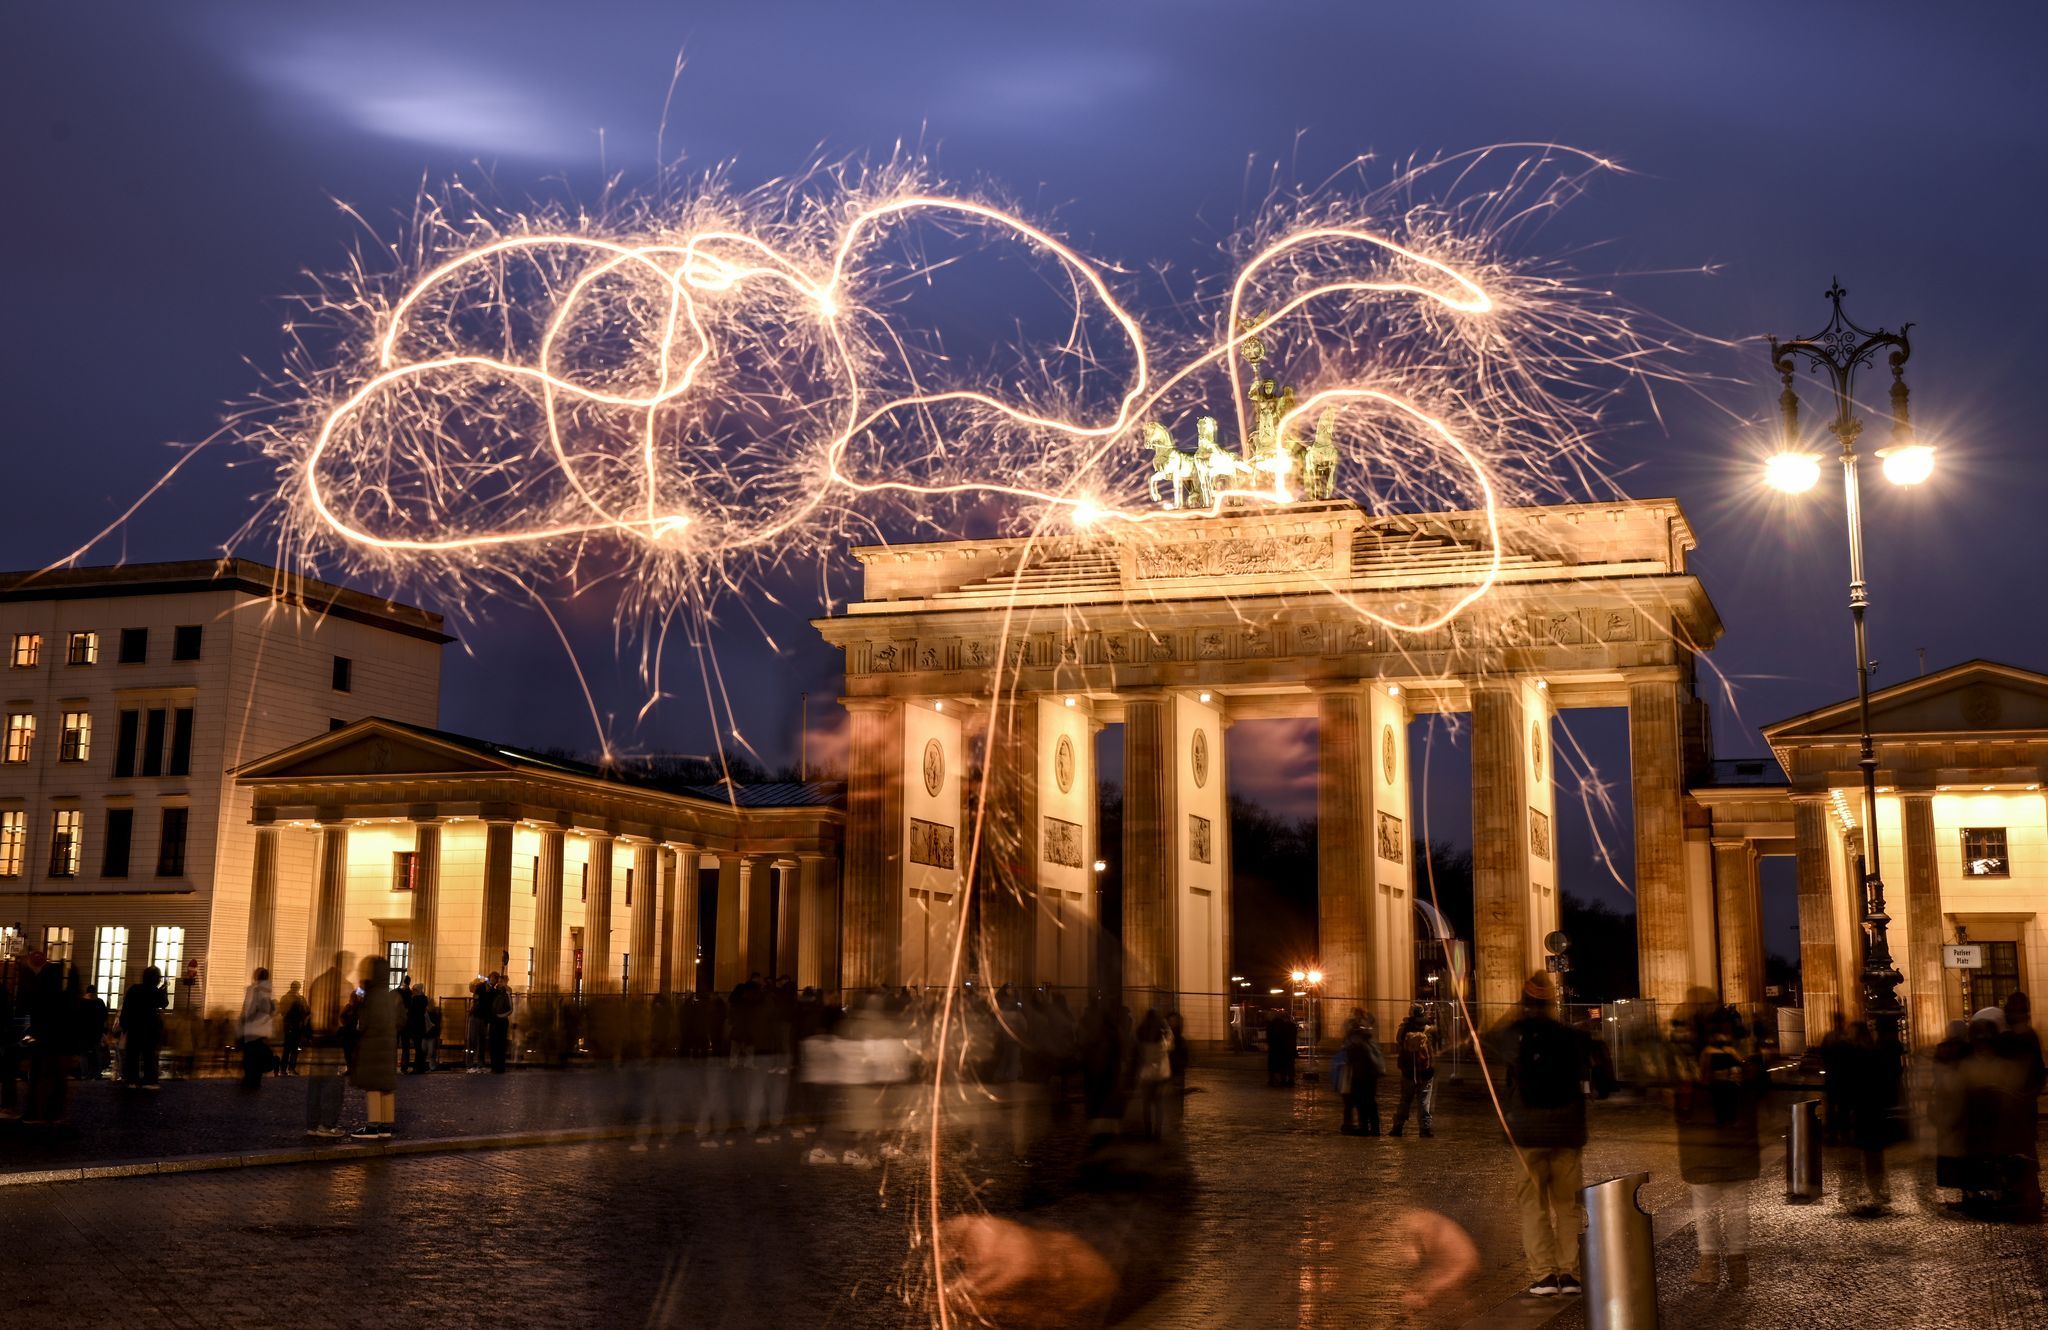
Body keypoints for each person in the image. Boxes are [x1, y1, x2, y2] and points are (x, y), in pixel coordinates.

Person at [1492, 972, 1589, 1298]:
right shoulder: (1569, 1036)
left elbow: (1490, 1039)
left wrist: (1515, 1013)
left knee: (1532, 1206)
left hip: (1527, 1133)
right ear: (1551, 1004)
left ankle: (1544, 1276)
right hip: (1567, 1131)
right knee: (1567, 1206)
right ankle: (1570, 1273)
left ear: (1524, 1002)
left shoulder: (1515, 1034)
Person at [1676, 1005, 1762, 1288]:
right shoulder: (1744, 1060)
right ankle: (1739, 1270)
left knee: (1705, 1212)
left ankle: (1709, 1267)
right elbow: (1756, 1100)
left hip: (1705, 1149)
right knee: (1738, 1210)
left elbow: (1685, 1105)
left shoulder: (1695, 1062)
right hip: (1738, 1147)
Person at [349, 956, 402, 1138]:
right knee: (386, 1087)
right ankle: (386, 1125)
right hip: (387, 1047)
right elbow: (401, 1019)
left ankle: (373, 1125)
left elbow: (364, 1024)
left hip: (372, 1047)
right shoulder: (390, 996)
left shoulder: (372, 996)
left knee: (373, 1087)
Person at [120, 965, 168, 1090]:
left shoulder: (134, 989)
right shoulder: (155, 991)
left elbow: (126, 1008)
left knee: (133, 1055)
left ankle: (131, 1080)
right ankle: (149, 1080)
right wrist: (164, 989)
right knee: (149, 1055)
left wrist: (124, 1025)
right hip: (150, 1028)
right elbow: (163, 1003)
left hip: (135, 1026)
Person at [1391, 1005, 1437, 1138]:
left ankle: (1398, 1127)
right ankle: (1425, 1129)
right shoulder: (1428, 1028)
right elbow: (1435, 1044)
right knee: (1424, 1101)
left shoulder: (1404, 1028)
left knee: (1405, 1100)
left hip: (1408, 1071)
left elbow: (1399, 1041)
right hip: (1426, 1072)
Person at [1339, 1013, 1383, 1136]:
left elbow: (1350, 1060)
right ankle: (1375, 1128)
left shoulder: (1354, 1042)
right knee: (1370, 1102)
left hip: (1359, 1076)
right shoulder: (1369, 1040)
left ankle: (1364, 1127)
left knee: (1361, 1102)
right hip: (1371, 1075)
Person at [238, 967, 276, 1088]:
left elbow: (248, 1009)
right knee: (259, 1055)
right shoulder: (270, 991)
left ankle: (249, 1080)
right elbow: (272, 1010)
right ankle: (256, 1080)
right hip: (264, 1029)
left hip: (252, 1029)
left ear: (256, 976)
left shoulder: (253, 989)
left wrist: (242, 1022)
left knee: (250, 1056)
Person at [76, 984, 110, 1081]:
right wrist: (104, 1031)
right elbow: (104, 1018)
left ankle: (84, 1074)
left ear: (86, 992)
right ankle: (97, 1073)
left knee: (83, 1054)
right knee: (97, 1053)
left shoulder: (80, 1002)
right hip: (96, 1032)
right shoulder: (99, 1002)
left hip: (83, 1033)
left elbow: (76, 1019)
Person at [279, 980, 310, 1075]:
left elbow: (306, 1011)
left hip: (294, 1026)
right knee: (289, 1049)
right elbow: (283, 1012)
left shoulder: (300, 999)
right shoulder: (289, 998)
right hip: (291, 1026)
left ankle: (289, 1068)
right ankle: (286, 1069)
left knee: (292, 1049)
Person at [487, 971, 513, 1073]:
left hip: (501, 1022)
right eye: (499, 982)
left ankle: (500, 1067)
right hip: (494, 1021)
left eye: (501, 982)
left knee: (500, 1045)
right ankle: (494, 1066)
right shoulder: (494, 993)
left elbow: (510, 1009)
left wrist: (500, 1016)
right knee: (493, 1044)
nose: (499, 983)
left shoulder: (506, 994)